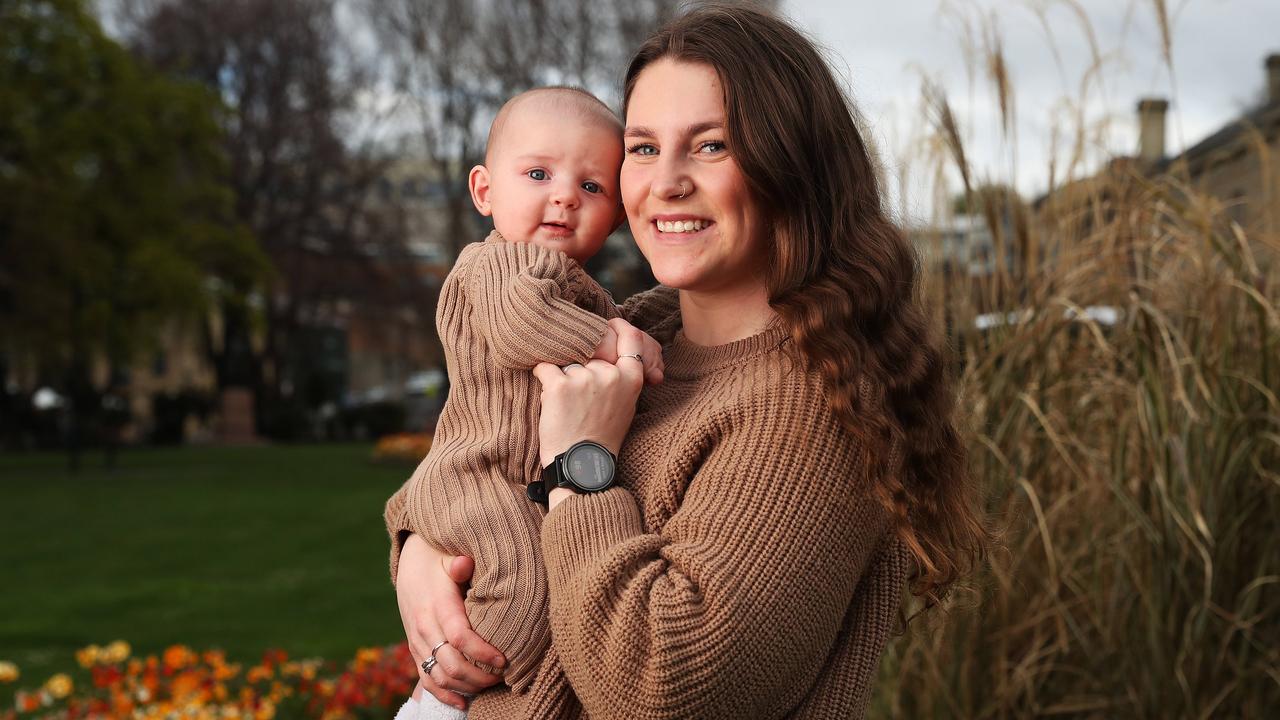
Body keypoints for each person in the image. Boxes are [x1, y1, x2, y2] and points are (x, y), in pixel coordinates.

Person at [387, 5, 987, 719]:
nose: (665, 182)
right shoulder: (631, 329)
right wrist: (420, 557)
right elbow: (466, 457)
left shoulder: (813, 400)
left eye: (709, 146)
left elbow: (661, 687)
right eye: (642, 149)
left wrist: (580, 464)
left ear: (792, 167)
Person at [385, 86, 665, 720]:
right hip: (479, 473)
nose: (564, 195)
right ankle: (436, 705)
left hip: (515, 480)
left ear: (615, 216)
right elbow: (521, 323)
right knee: (520, 598)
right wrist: (615, 341)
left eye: (591, 187)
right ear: (485, 192)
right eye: (538, 174)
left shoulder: (584, 288)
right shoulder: (502, 265)